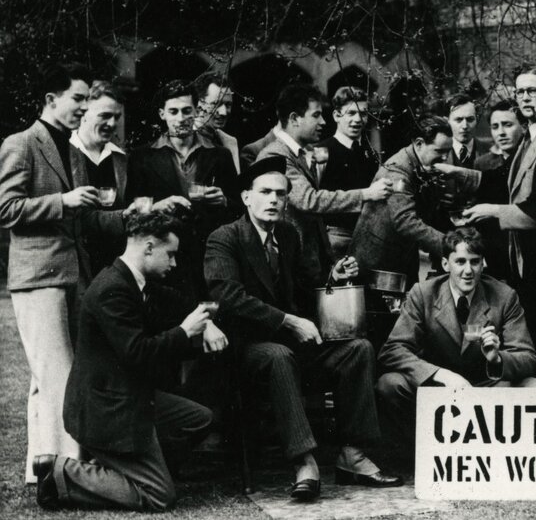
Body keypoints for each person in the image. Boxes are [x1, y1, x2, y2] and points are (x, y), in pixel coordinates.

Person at [204, 157, 400, 501]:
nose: (274, 200)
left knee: (358, 349)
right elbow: (228, 297)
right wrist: (288, 321)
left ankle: (351, 453)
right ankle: (303, 460)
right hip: (247, 349)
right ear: (247, 197)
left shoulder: (288, 235)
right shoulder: (225, 238)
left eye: (281, 194)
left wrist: (332, 279)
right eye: (265, 192)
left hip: (293, 346)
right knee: (278, 356)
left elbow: (306, 289)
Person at [36, 211, 221, 511]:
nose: (174, 264)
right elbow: (139, 354)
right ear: (149, 247)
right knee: (160, 496)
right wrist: (186, 330)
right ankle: (62, 473)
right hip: (106, 411)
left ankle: (135, 472)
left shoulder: (136, 282)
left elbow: (181, 302)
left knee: (197, 419)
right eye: (170, 255)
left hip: (129, 399)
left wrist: (207, 323)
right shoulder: (112, 289)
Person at [0, 63, 128, 483]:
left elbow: (87, 221)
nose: (85, 106)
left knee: (51, 376)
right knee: (57, 374)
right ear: (51, 100)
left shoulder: (71, 150)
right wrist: (63, 201)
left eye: (88, 98)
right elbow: (6, 210)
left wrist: (135, 216)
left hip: (74, 275)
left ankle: (44, 469)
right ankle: (69, 471)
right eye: (79, 98)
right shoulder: (21, 144)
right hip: (40, 277)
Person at [460, 64, 536, 386]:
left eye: (532, 91)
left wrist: (494, 210)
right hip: (530, 263)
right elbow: (506, 180)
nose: (524, 98)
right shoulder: (532, 135)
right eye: (520, 91)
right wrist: (465, 177)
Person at [376, 227, 536, 441]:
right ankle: (421, 453)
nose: (468, 270)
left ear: (483, 263)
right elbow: (393, 350)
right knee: (390, 384)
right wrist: (441, 375)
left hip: (485, 387)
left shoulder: (504, 296)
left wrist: (497, 359)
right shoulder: (424, 293)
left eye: (475, 261)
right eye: (460, 262)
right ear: (446, 264)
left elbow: (528, 356)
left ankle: (497, 456)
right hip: (436, 387)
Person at [257, 84, 392, 285]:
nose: (323, 121)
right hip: (289, 264)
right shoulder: (276, 156)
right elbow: (309, 200)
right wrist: (366, 194)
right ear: (294, 119)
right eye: (316, 115)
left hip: (307, 262)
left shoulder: (300, 154)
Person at [126, 80, 239, 302]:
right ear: (162, 114)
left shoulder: (219, 155)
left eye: (187, 111)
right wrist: (156, 206)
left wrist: (224, 201)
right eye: (173, 112)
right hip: (164, 258)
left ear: (196, 111)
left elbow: (240, 206)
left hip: (209, 255)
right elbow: (129, 210)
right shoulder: (142, 158)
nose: (180, 118)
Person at [352, 115, 480, 284]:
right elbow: (406, 222)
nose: (444, 158)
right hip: (378, 263)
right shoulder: (397, 171)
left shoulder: (422, 165)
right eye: (439, 151)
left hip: (402, 260)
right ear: (419, 144)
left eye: (447, 152)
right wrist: (453, 245)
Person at [71, 80, 130, 275]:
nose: (112, 124)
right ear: (84, 112)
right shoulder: (63, 153)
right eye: (105, 116)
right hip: (75, 264)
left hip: (113, 265)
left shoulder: (121, 160)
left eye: (116, 117)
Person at [315, 86, 381, 257]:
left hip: (368, 238)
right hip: (335, 239)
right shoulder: (322, 151)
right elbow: (316, 199)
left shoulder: (371, 154)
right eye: (351, 113)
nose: (358, 120)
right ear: (337, 115)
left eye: (363, 113)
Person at [473, 100, 526, 280]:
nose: (501, 132)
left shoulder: (530, 161)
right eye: (495, 127)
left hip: (526, 247)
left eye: (508, 125)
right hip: (495, 250)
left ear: (523, 127)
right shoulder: (483, 164)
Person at [194, 74, 241, 173]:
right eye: (216, 104)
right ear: (198, 104)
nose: (223, 112)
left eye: (228, 105)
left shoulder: (230, 142)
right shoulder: (183, 140)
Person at [443, 93, 480, 168]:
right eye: (458, 120)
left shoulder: (491, 151)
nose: (465, 126)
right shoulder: (438, 152)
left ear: (477, 120)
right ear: (447, 121)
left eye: (470, 119)